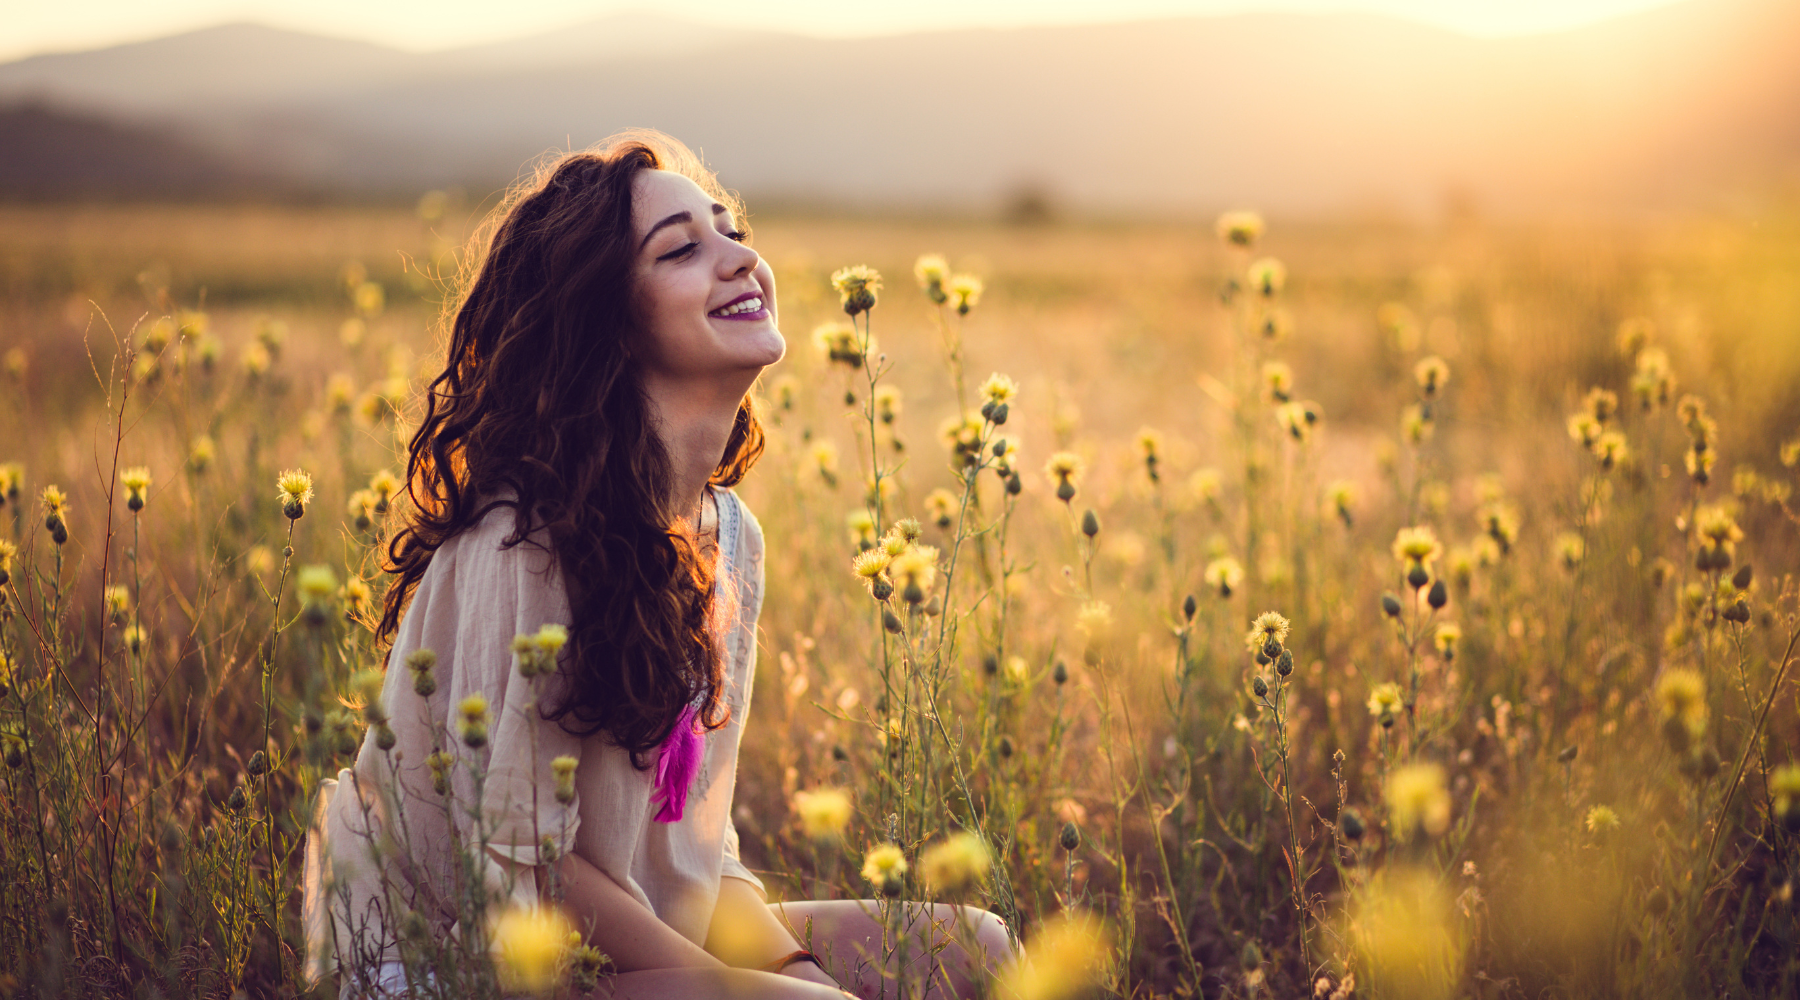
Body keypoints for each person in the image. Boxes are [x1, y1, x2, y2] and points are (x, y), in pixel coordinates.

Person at [301, 130, 1015, 999]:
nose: (740, 258)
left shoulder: (730, 537)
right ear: (608, 324)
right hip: (455, 956)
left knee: (975, 949)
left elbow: (697, 859)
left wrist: (796, 971)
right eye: (683, 249)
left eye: (731, 229)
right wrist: (761, 992)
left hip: (628, 931)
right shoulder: (523, 540)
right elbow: (529, 883)